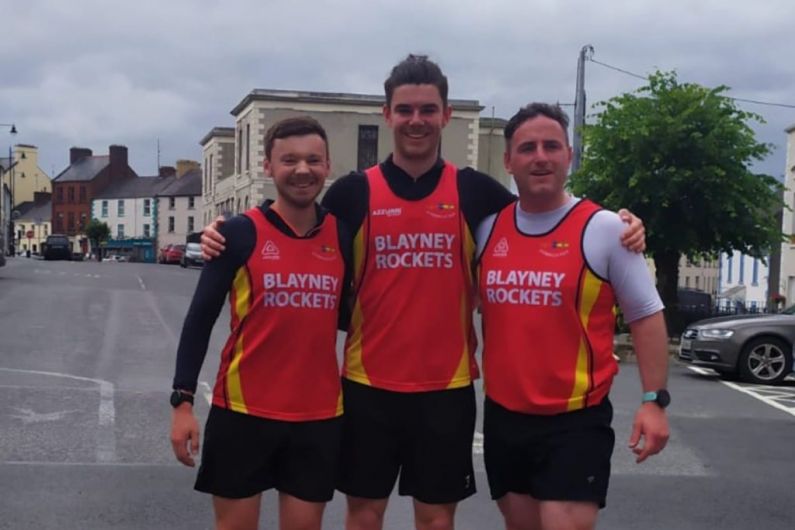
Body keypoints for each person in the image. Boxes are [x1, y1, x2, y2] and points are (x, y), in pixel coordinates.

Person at [201, 55, 646, 530]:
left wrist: (624, 225)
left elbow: (543, 214)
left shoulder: (476, 192)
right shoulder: (353, 193)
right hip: (367, 385)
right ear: (388, 115)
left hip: (446, 390)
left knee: (436, 519)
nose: (417, 121)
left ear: (446, 115)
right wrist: (223, 232)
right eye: (406, 110)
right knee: (364, 513)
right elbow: (296, 234)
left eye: (428, 110)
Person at [476, 103, 670, 530]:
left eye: (551, 145)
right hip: (505, 416)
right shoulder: (487, 228)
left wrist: (654, 401)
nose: (540, 156)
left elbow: (646, 315)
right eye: (527, 148)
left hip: (575, 420)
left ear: (569, 155)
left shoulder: (604, 229)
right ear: (509, 161)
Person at [170, 116, 352, 530]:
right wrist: (182, 402)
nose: (302, 170)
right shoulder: (238, 234)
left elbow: (362, 312)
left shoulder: (343, 236)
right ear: (268, 167)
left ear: (328, 166)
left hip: (318, 417)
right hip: (243, 414)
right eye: (289, 160)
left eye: (313, 160)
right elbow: (199, 320)